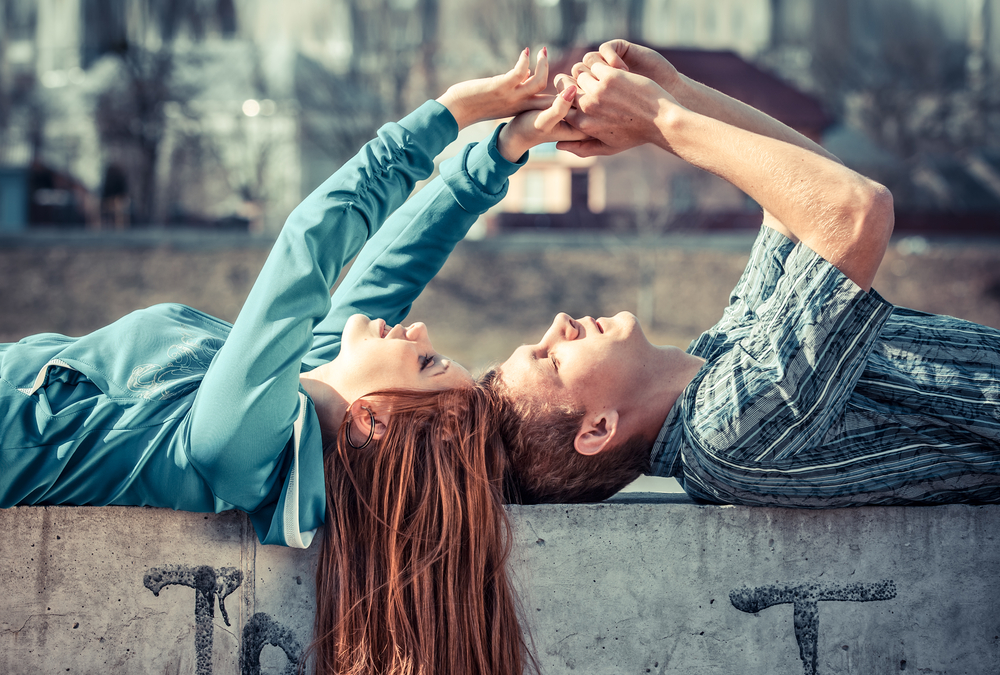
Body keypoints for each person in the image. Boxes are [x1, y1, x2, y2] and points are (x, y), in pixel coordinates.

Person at [2, 49, 585, 675]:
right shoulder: (307, 385)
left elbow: (309, 246)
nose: (419, 330)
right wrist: (501, 150)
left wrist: (449, 114)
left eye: (427, 362)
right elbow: (394, 264)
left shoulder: (246, 450)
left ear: (373, 424)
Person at [484, 39, 1000, 509]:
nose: (558, 323)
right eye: (552, 358)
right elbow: (856, 210)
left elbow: (807, 198)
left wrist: (677, 98)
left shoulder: (716, 360)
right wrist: (659, 119)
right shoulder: (723, 435)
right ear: (598, 428)